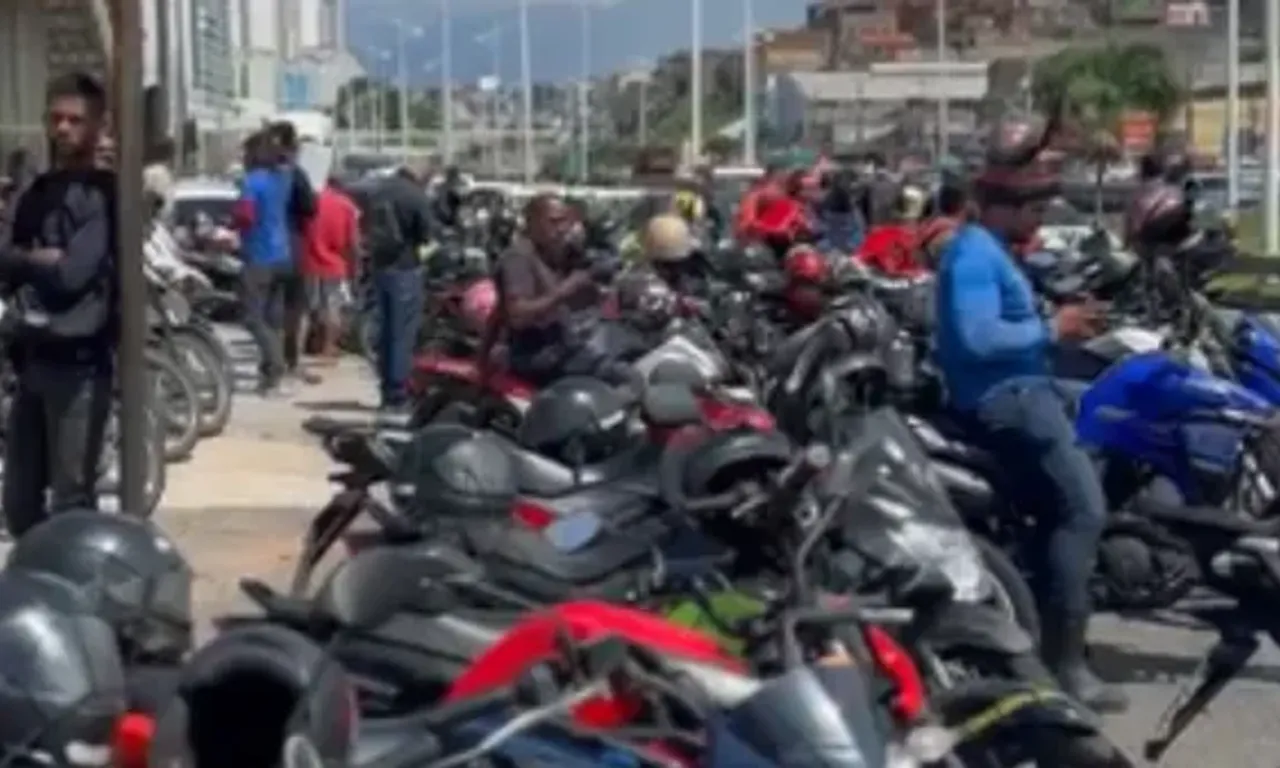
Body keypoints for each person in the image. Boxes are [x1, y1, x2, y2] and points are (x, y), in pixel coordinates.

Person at [933, 119, 1127, 713]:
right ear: (1007, 204)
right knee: (1081, 510)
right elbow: (976, 336)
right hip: (1008, 399)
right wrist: (1051, 328)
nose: (1042, 216)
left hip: (1029, 388)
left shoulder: (991, 251)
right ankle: (1066, 666)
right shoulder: (971, 255)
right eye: (1037, 205)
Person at [0, 72, 117, 536]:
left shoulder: (104, 194)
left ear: (96, 125)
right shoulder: (38, 192)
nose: (64, 129)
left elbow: (74, 274)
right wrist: (37, 258)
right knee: (20, 503)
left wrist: (31, 261)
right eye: (56, 119)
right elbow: (5, 257)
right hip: (33, 358)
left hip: (80, 365)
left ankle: (78, 594)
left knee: (72, 497)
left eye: (75, 120)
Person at [493, 194, 616, 387]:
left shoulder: (555, 255)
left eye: (565, 222)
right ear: (531, 223)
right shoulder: (518, 257)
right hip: (536, 355)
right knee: (625, 376)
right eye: (554, 222)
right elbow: (517, 314)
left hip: (561, 347)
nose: (562, 229)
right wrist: (566, 289)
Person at [365, 165, 432, 411]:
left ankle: (387, 389)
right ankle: (398, 393)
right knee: (403, 333)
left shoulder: (379, 192)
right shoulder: (415, 196)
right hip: (406, 268)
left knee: (386, 332)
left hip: (380, 267)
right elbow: (427, 235)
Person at [233, 131, 292, 396]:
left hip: (259, 255)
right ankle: (271, 378)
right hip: (283, 255)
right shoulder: (281, 179)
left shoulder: (252, 182)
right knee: (273, 319)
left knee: (252, 317)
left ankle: (275, 366)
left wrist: (231, 226)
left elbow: (246, 215)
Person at [268, 121, 320, 385]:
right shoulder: (295, 174)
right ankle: (290, 362)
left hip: (266, 248)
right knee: (294, 309)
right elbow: (311, 208)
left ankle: (271, 363)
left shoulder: (262, 172)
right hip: (292, 246)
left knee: (271, 309)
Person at [301, 176, 359, 361]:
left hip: (306, 262)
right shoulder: (347, 206)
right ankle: (328, 349)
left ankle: (298, 350)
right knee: (332, 307)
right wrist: (354, 268)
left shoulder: (310, 200)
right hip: (334, 264)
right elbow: (353, 243)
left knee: (304, 309)